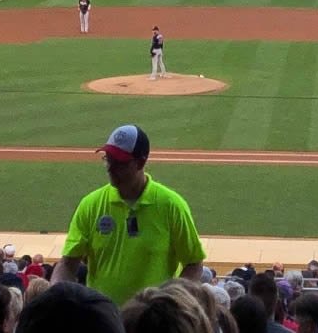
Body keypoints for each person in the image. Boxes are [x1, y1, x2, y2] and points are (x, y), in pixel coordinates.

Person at [52, 124, 204, 303]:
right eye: (107, 159)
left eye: (119, 163)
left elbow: (194, 263)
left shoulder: (171, 206)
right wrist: (57, 296)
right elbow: (68, 264)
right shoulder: (90, 205)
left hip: (152, 320)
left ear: (141, 162)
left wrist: (171, 301)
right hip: (105, 320)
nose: (110, 167)